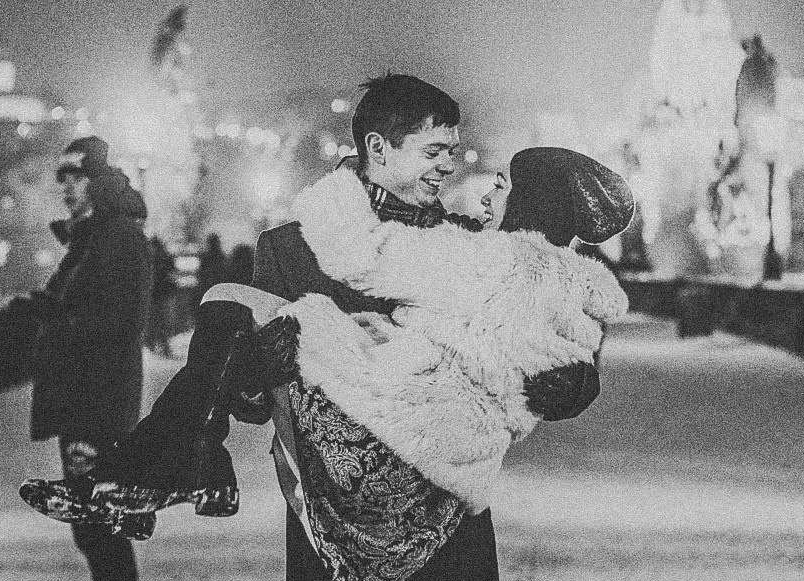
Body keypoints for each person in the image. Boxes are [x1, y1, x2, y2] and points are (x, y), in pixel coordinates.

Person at [21, 76, 602, 581]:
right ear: (379, 148)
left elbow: (547, 335)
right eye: (433, 151)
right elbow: (250, 397)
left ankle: (174, 462)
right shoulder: (292, 250)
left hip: (441, 511)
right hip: (330, 510)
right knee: (233, 306)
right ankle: (172, 460)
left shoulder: (468, 243)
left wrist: (573, 380)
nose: (449, 166)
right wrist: (256, 369)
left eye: (451, 150)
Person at [247, 145, 634, 515]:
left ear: (530, 201)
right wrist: (577, 378)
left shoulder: (476, 255)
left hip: (388, 457)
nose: (484, 196)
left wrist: (336, 187)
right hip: (465, 477)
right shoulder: (571, 281)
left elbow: (363, 255)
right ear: (378, 149)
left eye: (500, 186)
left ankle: (199, 450)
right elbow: (573, 350)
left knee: (267, 310)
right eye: (432, 152)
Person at [24, 135, 152, 581]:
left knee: (97, 522)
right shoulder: (96, 237)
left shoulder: (116, 237)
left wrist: (56, 323)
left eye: (73, 177)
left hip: (96, 404)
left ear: (95, 182)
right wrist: (44, 310)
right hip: (87, 400)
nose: (65, 188)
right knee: (92, 521)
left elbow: (122, 320)